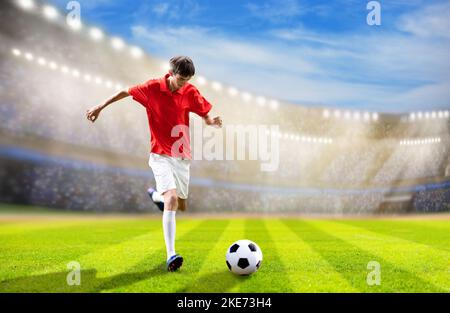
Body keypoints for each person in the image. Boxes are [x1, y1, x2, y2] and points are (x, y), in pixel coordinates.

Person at [86, 56, 222, 271]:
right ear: (171, 72)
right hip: (159, 153)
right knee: (172, 199)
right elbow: (125, 91)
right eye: (180, 79)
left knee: (182, 206)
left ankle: (156, 197)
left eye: (187, 80)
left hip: (181, 154)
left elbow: (204, 113)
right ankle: (171, 255)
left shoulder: (190, 91)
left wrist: (211, 121)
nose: (183, 83)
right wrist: (100, 106)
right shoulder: (151, 87)